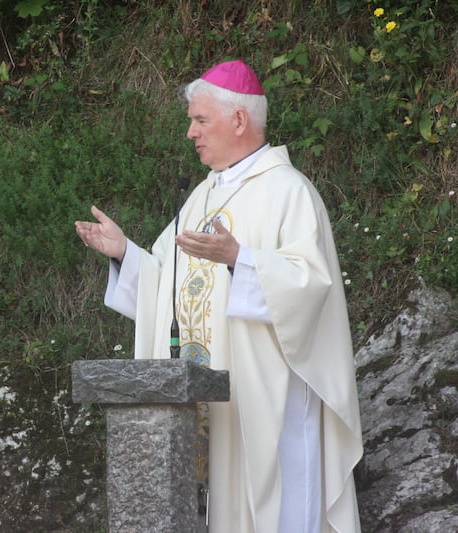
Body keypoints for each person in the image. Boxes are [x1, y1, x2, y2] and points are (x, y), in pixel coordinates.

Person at [75, 59, 363, 533]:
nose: (190, 132)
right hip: (218, 396)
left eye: (200, 120)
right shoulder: (202, 198)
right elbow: (169, 287)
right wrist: (125, 254)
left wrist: (241, 260)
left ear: (238, 120)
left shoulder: (289, 192)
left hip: (272, 393)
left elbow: (312, 288)